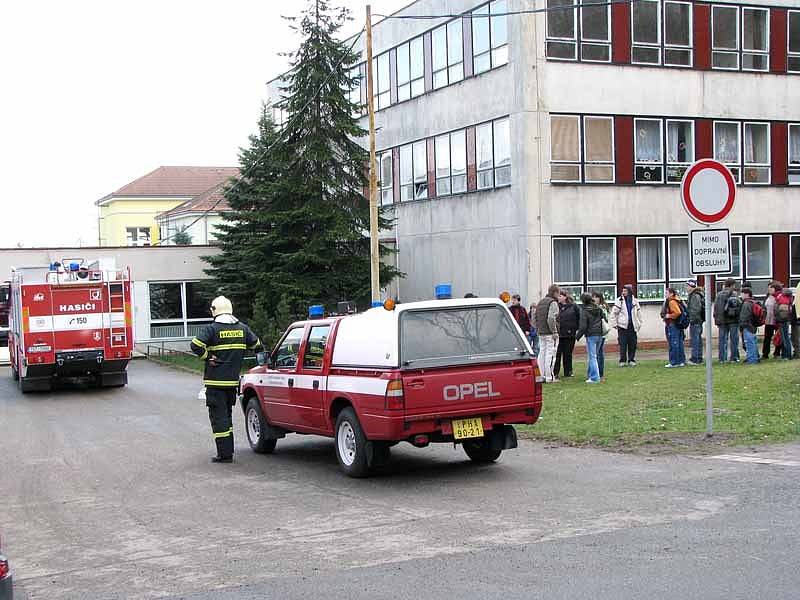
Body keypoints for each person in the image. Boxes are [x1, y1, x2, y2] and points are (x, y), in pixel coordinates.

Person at [190, 296, 261, 463]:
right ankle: (228, 450)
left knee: (218, 418)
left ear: (214, 310)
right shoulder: (243, 329)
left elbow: (195, 345)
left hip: (215, 383)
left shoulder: (212, 329)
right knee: (227, 416)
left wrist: (208, 357)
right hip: (232, 383)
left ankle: (224, 454)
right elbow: (257, 345)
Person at [610, 284, 642, 367]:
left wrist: (639, 323)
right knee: (623, 344)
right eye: (623, 291)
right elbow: (614, 313)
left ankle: (631, 360)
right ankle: (622, 360)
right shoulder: (619, 301)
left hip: (632, 326)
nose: (623, 292)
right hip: (622, 326)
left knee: (633, 344)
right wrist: (614, 324)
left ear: (629, 291)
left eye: (625, 291)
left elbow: (638, 313)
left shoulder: (635, 301)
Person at [576, 293, 605, 384]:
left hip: (591, 335)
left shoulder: (584, 310)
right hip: (600, 334)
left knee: (592, 357)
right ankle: (591, 375)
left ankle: (594, 378)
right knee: (595, 356)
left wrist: (577, 336)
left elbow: (583, 326)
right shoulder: (598, 308)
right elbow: (604, 318)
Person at [534, 285, 560, 383]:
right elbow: (551, 318)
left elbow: (534, 317)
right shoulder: (553, 303)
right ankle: (550, 377)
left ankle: (542, 376)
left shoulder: (540, 302)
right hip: (550, 333)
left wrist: (537, 329)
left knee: (542, 354)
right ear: (555, 293)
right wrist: (554, 331)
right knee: (551, 354)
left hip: (541, 333)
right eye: (558, 293)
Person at [713, 278, 741, 363]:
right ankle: (734, 357)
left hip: (721, 320)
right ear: (732, 285)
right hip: (733, 320)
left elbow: (716, 308)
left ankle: (722, 358)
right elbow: (738, 306)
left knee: (722, 340)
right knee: (734, 340)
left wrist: (716, 319)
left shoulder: (719, 295)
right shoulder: (734, 294)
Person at [554, 291, 580, 378]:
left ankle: (568, 371)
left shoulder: (574, 306)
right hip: (559, 334)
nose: (558, 298)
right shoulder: (557, 306)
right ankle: (555, 372)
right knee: (557, 354)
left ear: (565, 297)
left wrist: (576, 328)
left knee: (568, 354)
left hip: (570, 334)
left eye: (560, 296)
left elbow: (579, 317)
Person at [663, 287, 686, 368]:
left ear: (671, 293)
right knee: (679, 343)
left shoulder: (672, 302)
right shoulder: (678, 300)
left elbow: (677, 312)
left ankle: (674, 362)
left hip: (673, 324)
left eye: (666, 293)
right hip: (678, 324)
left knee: (673, 343)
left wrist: (668, 315)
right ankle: (681, 361)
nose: (665, 294)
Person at [685, 279, 705, 365]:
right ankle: (698, 357)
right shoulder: (696, 295)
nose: (686, 288)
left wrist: (691, 319)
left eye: (687, 286)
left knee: (695, 340)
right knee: (697, 339)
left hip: (695, 321)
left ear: (691, 286)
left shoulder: (694, 296)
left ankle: (696, 358)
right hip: (698, 320)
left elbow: (695, 309)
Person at [739, 287, 760, 365]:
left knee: (749, 343)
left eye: (742, 293)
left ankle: (752, 360)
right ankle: (755, 357)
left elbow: (744, 316)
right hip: (753, 325)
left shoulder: (746, 303)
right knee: (753, 342)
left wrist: (742, 326)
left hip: (747, 326)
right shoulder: (753, 302)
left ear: (746, 294)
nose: (741, 295)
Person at [591, 292, 610, 380]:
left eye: (596, 297)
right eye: (593, 297)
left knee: (599, 354)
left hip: (601, 334)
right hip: (596, 333)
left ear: (600, 298)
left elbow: (604, 319)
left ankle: (600, 373)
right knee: (597, 353)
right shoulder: (593, 307)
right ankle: (597, 373)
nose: (594, 299)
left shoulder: (602, 307)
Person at [775, 283, 794, 360]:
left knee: (785, 338)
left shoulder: (781, 297)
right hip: (786, 319)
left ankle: (787, 355)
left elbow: (779, 310)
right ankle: (786, 354)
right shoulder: (788, 297)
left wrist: (777, 317)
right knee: (786, 337)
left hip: (782, 320)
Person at [762, 282, 778, 359]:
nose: (769, 289)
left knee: (778, 337)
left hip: (776, 320)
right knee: (767, 338)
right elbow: (764, 307)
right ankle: (765, 354)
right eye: (768, 287)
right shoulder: (767, 297)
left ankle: (777, 353)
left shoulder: (778, 296)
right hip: (768, 320)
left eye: (771, 288)